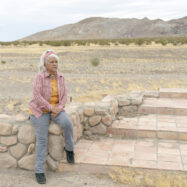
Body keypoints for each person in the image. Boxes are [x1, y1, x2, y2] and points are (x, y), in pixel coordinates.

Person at [29, 49, 75, 184]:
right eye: (52, 62)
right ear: (45, 63)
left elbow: (65, 96)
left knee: (67, 124)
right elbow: (37, 96)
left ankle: (70, 149)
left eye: (56, 62)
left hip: (56, 109)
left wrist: (59, 108)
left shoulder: (61, 77)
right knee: (42, 139)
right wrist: (50, 108)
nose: (55, 64)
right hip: (40, 110)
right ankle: (39, 171)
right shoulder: (39, 77)